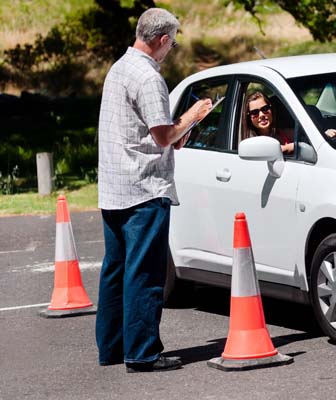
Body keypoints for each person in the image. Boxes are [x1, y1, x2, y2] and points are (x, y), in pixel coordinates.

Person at [96, 8, 212, 373]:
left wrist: (180, 131)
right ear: (162, 40)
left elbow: (148, 132)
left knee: (116, 269)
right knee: (145, 273)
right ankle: (143, 352)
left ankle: (112, 347)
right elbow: (163, 135)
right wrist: (193, 115)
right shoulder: (148, 77)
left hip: (114, 185)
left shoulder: (119, 68)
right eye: (172, 43)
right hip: (143, 187)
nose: (171, 49)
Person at [242, 91, 336, 153]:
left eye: (265, 108)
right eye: (254, 112)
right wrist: (289, 147)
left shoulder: (283, 132)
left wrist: (324, 134)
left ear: (271, 110)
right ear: (249, 117)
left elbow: (310, 138)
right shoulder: (251, 142)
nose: (261, 115)